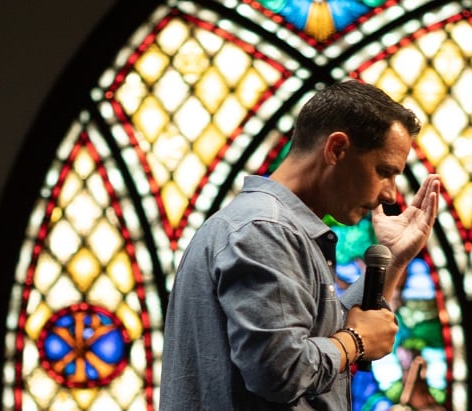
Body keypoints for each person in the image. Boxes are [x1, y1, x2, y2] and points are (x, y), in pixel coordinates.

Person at [160, 80, 441, 410]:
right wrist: (356, 342)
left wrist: (393, 258)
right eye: (384, 171)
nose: (390, 194)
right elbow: (279, 370)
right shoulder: (265, 229)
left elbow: (324, 334)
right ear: (336, 149)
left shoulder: (274, 227)